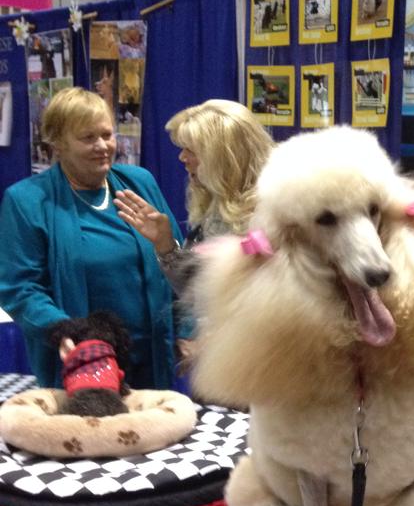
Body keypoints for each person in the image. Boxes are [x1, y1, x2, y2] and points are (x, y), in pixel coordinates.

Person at [0, 87, 184, 389]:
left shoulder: (140, 183)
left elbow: (176, 262)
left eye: (107, 135)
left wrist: (186, 329)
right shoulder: (27, 200)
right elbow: (20, 289)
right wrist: (64, 330)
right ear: (58, 143)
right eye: (88, 138)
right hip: (83, 362)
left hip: (153, 360)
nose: (103, 146)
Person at [113, 98, 274, 297]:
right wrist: (165, 245)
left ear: (222, 155)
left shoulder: (274, 214)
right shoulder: (218, 205)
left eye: (191, 150)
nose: (182, 157)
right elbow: (194, 290)